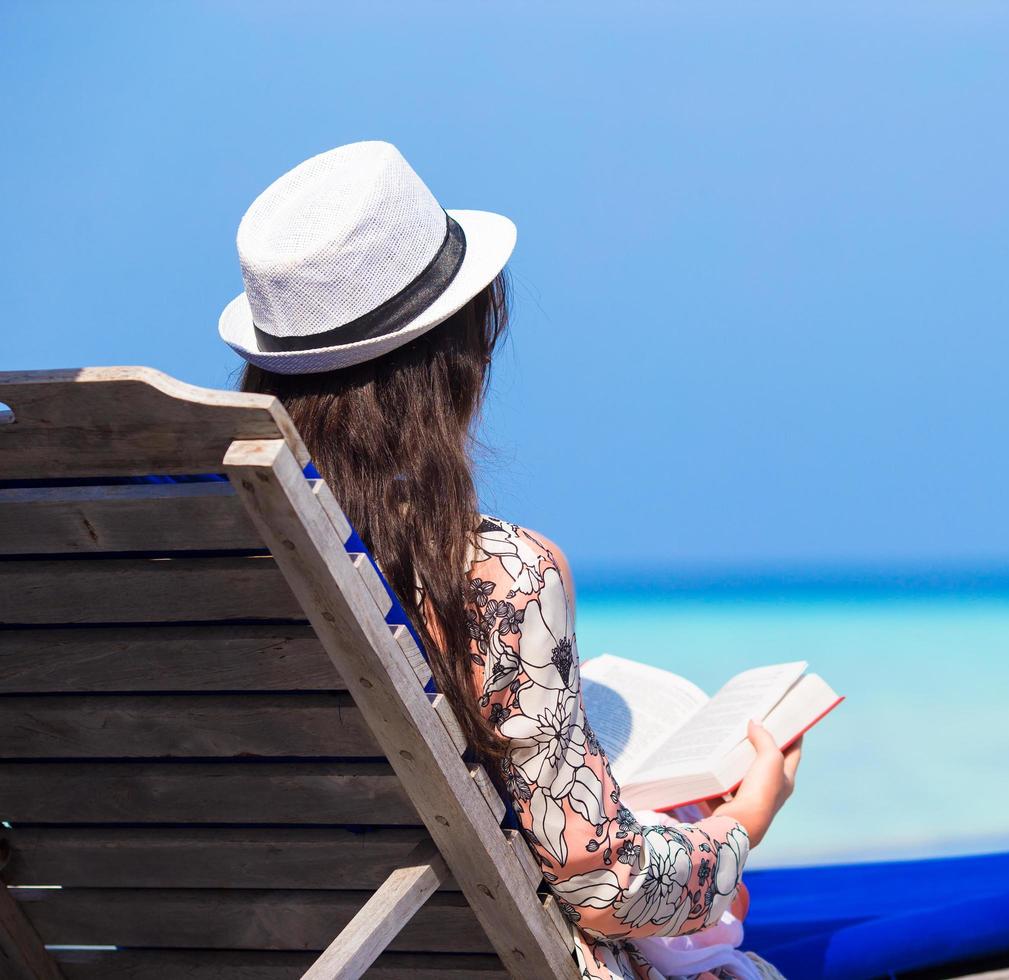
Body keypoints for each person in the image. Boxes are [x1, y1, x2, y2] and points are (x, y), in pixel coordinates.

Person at [219, 140, 801, 979]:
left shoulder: (174, 570)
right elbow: (605, 885)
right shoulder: (491, 576)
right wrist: (743, 821)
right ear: (461, 353)